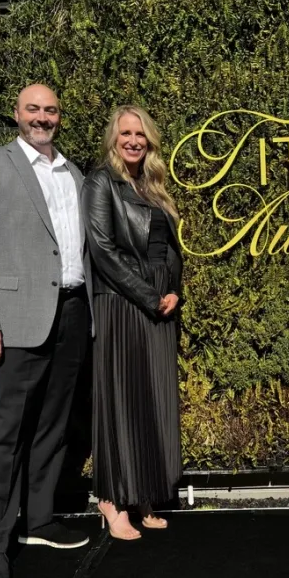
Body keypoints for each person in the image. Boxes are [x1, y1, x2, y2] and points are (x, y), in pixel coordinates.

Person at [0, 84, 92, 578]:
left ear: (59, 117)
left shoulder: (72, 173)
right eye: (33, 109)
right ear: (17, 114)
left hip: (73, 316)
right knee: (4, 438)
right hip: (14, 323)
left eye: (50, 109)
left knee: (52, 427)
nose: (42, 117)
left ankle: (38, 521)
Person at [82, 105, 184, 540]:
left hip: (160, 302)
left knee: (152, 397)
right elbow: (102, 250)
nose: (133, 141)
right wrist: (147, 295)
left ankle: (142, 492)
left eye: (140, 134)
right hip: (123, 301)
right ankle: (111, 498)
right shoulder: (100, 181)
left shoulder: (153, 184)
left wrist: (174, 290)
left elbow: (169, 246)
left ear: (150, 139)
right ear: (114, 137)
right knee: (121, 398)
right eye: (125, 133)